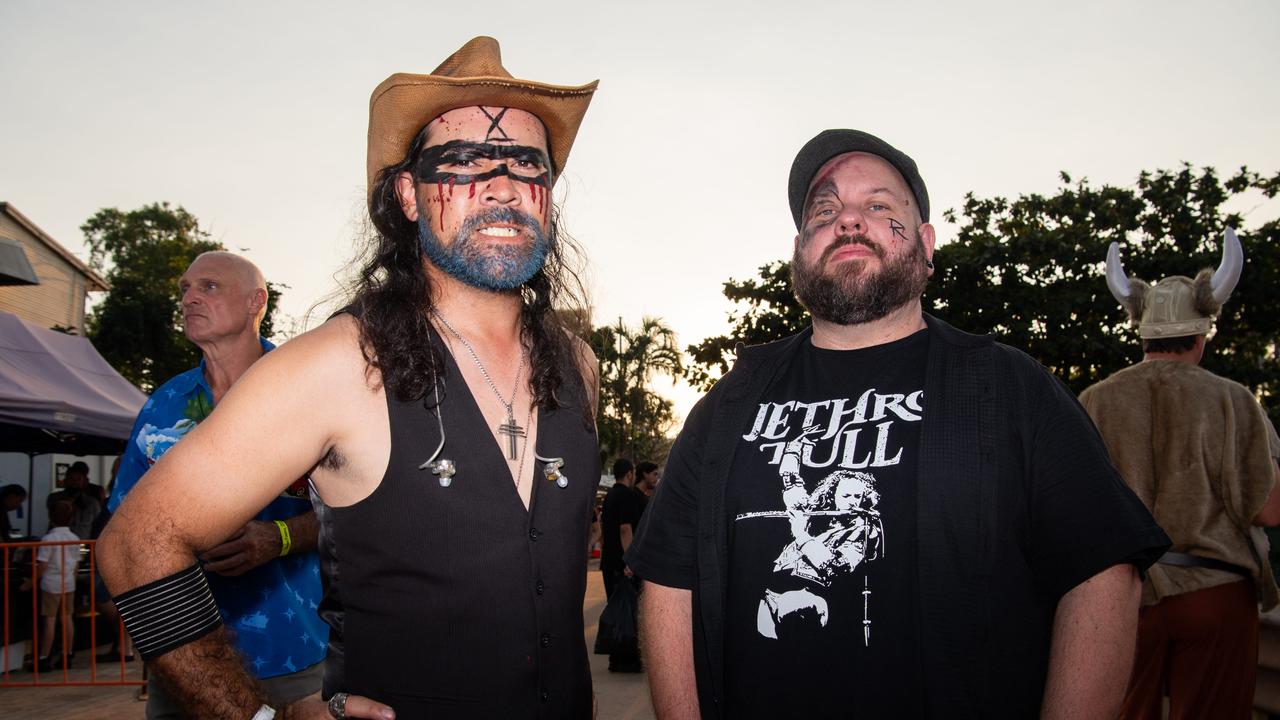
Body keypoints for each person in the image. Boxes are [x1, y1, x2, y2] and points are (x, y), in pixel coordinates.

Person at [99, 35, 600, 719]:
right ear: (410, 195)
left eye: (526, 164)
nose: (503, 186)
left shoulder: (577, 365)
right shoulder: (335, 364)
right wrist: (259, 717)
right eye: (461, 162)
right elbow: (136, 544)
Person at [628, 129, 1172, 718]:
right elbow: (668, 579)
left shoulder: (1009, 386)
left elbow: (1102, 571)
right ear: (800, 245)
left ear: (926, 242)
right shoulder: (731, 401)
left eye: (880, 206)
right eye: (826, 209)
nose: (849, 221)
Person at [106, 251, 327, 717]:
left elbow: (364, 514)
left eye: (208, 287)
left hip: (295, 649)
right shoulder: (162, 406)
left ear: (256, 302)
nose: (188, 298)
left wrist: (280, 537)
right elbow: (122, 523)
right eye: (184, 288)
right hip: (185, 655)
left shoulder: (310, 392)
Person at [1079, 229, 1280, 718]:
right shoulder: (1232, 399)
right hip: (1216, 595)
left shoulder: (1093, 401)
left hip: (1122, 600)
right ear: (1202, 334)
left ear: (1143, 332)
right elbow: (1268, 510)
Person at [21, 499, 80, 672]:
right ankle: (67, 654)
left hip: (50, 584)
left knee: (50, 620)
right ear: (71, 518)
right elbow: (76, 564)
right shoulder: (75, 538)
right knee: (67, 618)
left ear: (50, 517)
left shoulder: (48, 539)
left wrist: (30, 583)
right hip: (68, 582)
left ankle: (44, 657)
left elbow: (43, 565)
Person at [599, 458, 644, 671]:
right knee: (628, 612)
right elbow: (625, 529)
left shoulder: (609, 496)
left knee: (617, 611)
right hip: (621, 564)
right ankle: (627, 659)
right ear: (628, 474)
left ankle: (617, 659)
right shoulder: (626, 495)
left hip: (608, 562)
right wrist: (629, 560)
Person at [46, 461, 100, 540]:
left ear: (84, 482)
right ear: (65, 480)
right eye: (71, 479)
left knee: (83, 552)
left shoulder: (92, 502)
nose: (75, 483)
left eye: (78, 479)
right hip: (59, 542)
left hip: (83, 544)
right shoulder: (54, 498)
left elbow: (97, 524)